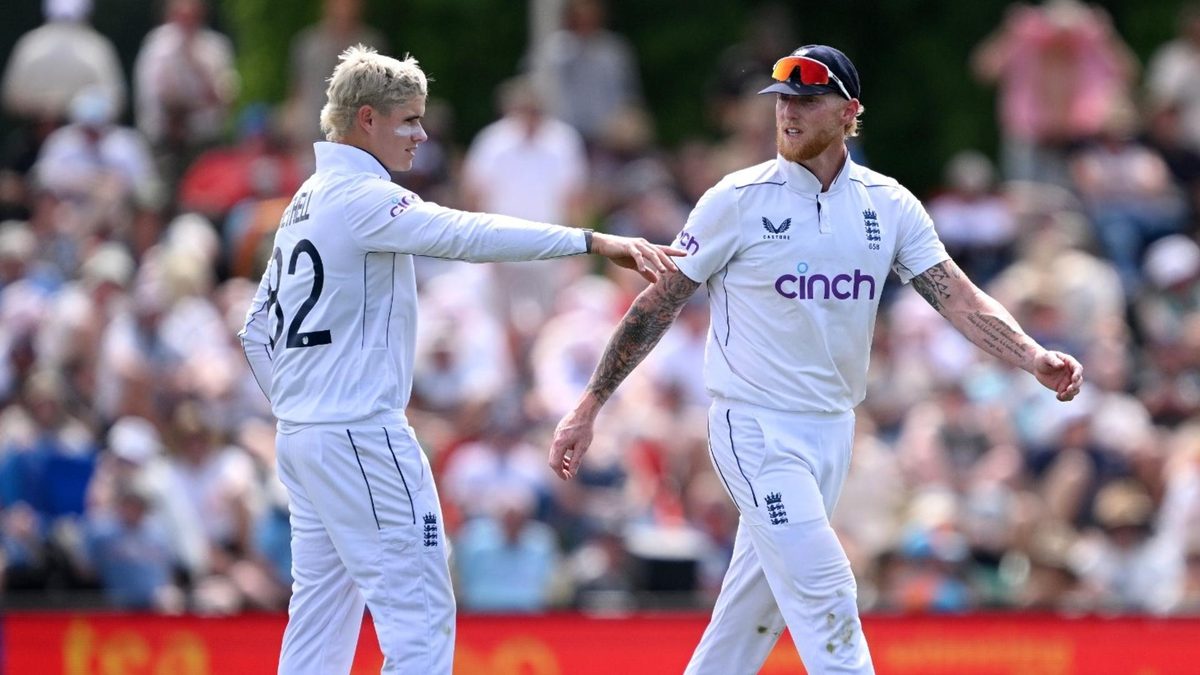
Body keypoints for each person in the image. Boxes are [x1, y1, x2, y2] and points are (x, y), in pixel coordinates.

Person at [549, 44, 1084, 674]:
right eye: (781, 101)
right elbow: (656, 304)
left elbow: (958, 298)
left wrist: (1030, 356)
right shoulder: (736, 200)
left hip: (832, 429)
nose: (788, 114)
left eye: (806, 100)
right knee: (826, 586)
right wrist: (589, 405)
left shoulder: (888, 205)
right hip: (752, 426)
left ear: (849, 112)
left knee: (753, 615)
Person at [237, 45, 680, 675]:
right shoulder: (362, 197)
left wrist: (302, 408)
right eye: (409, 121)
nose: (422, 136)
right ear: (367, 119)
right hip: (360, 434)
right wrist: (590, 239)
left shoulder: (304, 200)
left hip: (306, 437)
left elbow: (256, 331)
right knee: (418, 617)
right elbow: (466, 234)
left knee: (318, 623)